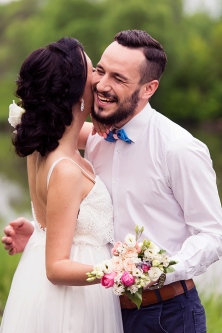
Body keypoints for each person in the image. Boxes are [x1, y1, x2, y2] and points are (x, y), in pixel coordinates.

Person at [2, 29, 222, 332]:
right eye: (100, 71)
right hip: (101, 309)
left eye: (118, 78)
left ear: (148, 88)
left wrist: (157, 272)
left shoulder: (179, 149)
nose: (102, 85)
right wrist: (44, 234)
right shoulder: (95, 136)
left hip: (164, 312)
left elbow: (212, 235)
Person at [0, 37, 123, 333]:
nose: (98, 81)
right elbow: (56, 268)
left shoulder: (41, 143)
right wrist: (120, 272)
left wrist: (37, 234)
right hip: (74, 299)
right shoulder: (66, 169)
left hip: (45, 287)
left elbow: (103, 135)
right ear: (76, 92)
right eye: (93, 71)